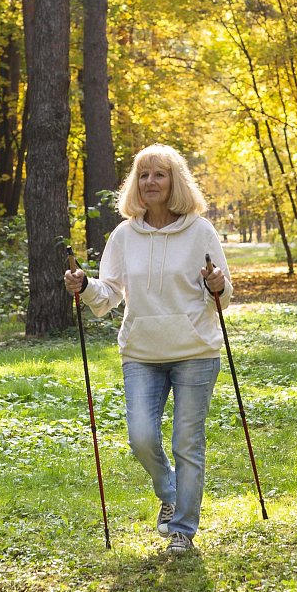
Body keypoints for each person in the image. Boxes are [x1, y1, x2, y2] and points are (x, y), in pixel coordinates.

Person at [64, 143, 232, 555]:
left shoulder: (200, 230)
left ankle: (182, 531)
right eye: (143, 175)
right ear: (134, 184)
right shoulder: (125, 234)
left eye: (159, 174)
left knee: (187, 443)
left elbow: (223, 296)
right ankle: (170, 491)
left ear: (175, 181)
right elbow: (110, 294)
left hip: (195, 350)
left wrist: (216, 285)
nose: (150, 182)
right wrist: (85, 287)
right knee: (140, 436)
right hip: (141, 351)